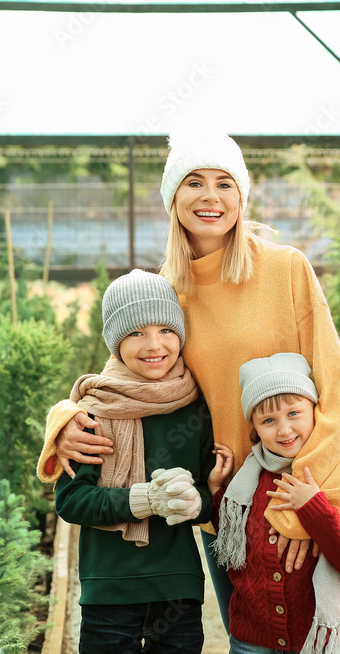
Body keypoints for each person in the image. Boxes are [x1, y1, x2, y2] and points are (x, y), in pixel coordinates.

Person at [38, 131, 340, 653]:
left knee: (338, 643)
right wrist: (64, 419)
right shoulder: (169, 292)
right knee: (255, 643)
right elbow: (123, 377)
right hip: (230, 509)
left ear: (242, 196)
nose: (210, 196)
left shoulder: (286, 269)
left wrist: (311, 505)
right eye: (194, 182)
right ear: (174, 198)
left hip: (306, 491)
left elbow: (335, 384)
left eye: (224, 183)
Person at [46, 269, 217, 654]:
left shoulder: (196, 408)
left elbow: (210, 494)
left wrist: (195, 501)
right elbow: (71, 500)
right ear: (115, 341)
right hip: (109, 592)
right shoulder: (92, 414)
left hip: (178, 588)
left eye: (166, 330)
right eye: (136, 332)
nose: (154, 344)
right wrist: (141, 500)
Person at [208, 352, 340, 654]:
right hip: (252, 641)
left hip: (314, 641)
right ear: (255, 428)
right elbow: (232, 541)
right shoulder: (248, 478)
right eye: (268, 420)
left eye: (294, 413)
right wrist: (217, 489)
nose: (284, 430)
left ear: (315, 412)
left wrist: (314, 507)